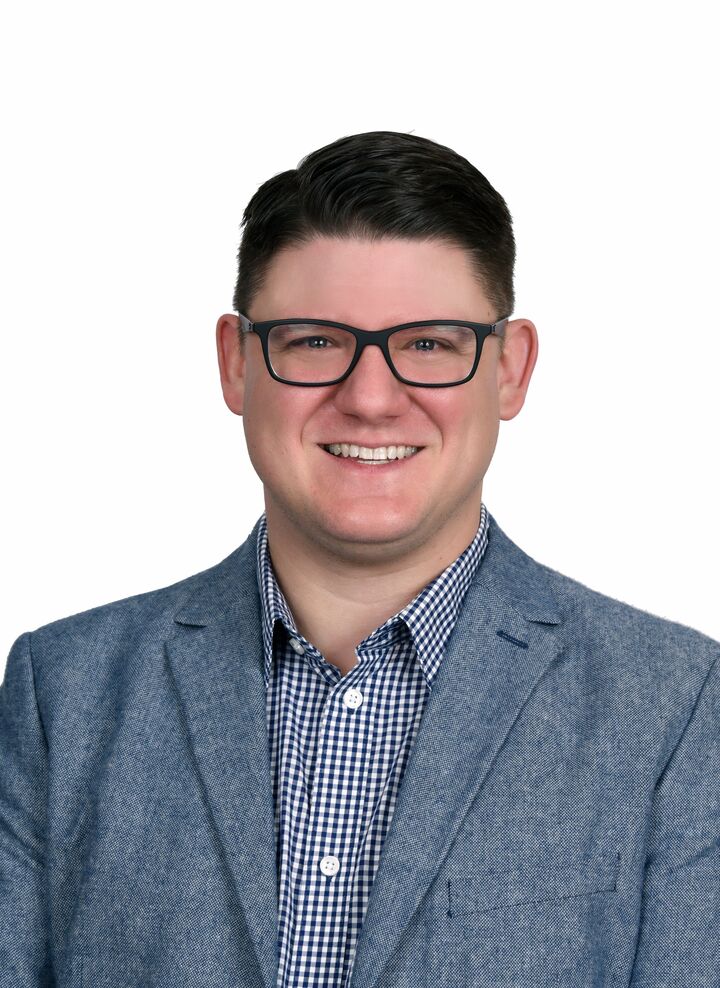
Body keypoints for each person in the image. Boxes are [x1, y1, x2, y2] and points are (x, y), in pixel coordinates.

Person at [0, 131, 718, 988]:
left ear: (511, 370)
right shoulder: (62, 694)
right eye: (314, 341)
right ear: (235, 363)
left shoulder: (677, 708)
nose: (371, 399)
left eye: (429, 344)